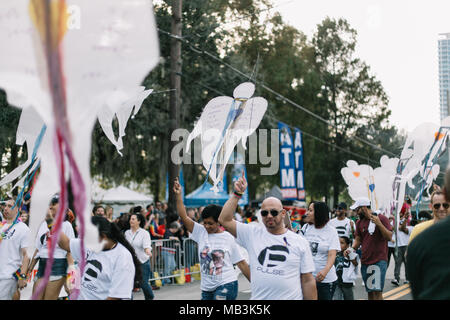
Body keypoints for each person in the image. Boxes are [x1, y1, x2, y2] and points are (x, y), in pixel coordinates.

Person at [218, 173, 317, 300]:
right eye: (265, 213)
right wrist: (237, 195)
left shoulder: (300, 242)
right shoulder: (252, 233)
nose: (269, 216)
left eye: (274, 212)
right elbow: (224, 219)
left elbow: (308, 281)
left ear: (282, 214)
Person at [174, 177, 250, 300]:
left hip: (227, 284)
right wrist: (178, 195)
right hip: (207, 288)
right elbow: (184, 217)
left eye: (210, 223)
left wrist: (256, 285)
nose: (207, 226)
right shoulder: (200, 232)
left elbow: (241, 262)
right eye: (205, 223)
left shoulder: (227, 238)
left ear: (219, 222)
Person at [57, 216, 141, 300]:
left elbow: (114, 297)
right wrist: (52, 222)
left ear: (103, 236)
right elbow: (66, 244)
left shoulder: (122, 258)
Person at [406, 167, 450, 299]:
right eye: (437, 205)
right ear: (431, 207)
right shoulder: (419, 233)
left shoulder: (421, 240)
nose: (441, 208)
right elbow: (412, 261)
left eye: (445, 205)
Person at [29, 196, 76, 300]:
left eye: (54, 203)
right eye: (50, 203)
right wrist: (29, 269)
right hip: (42, 265)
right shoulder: (43, 225)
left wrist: (72, 278)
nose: (51, 206)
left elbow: (70, 251)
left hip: (58, 265)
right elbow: (38, 249)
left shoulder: (66, 225)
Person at [347, 197, 392, 300]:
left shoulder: (381, 218)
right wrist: (351, 249)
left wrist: (378, 223)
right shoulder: (359, 222)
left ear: (363, 208)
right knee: (370, 292)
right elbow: (358, 239)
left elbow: (389, 237)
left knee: (377, 292)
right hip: (366, 260)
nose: (356, 212)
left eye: (357, 209)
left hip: (378, 260)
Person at [302, 201, 340, 300]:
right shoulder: (305, 228)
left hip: (325, 281)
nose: (307, 213)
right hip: (308, 279)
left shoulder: (331, 231)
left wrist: (325, 271)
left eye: (310, 210)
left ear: (318, 213)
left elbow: (332, 254)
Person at [0, 199, 30, 300]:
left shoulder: (23, 228)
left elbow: (26, 255)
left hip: (9, 277)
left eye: (9, 206)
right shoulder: (2, 227)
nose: (5, 208)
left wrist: (22, 276)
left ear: (17, 209)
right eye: (5, 206)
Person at [125, 213, 154, 300]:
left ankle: (150, 297)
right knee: (128, 284)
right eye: (130, 219)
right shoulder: (127, 233)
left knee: (143, 284)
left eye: (133, 219)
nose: (131, 220)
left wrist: (148, 251)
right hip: (130, 262)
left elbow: (147, 246)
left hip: (142, 262)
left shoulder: (144, 233)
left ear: (139, 221)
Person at [390, 205, 413, 286]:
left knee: (407, 263)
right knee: (397, 262)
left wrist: (405, 218)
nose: (398, 213)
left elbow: (402, 228)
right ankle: (396, 278)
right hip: (398, 245)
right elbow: (394, 228)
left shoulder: (409, 220)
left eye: (400, 212)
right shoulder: (396, 221)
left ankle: (408, 279)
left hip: (407, 245)